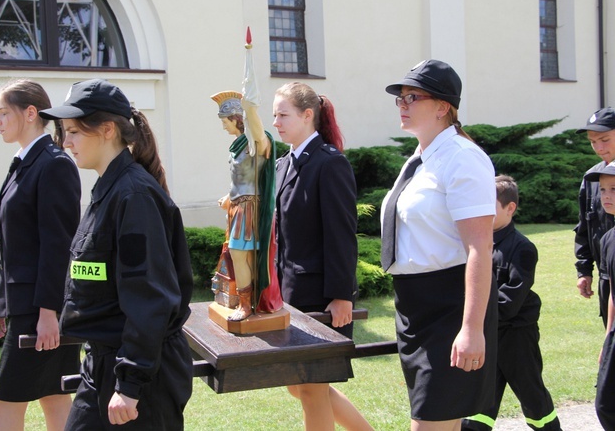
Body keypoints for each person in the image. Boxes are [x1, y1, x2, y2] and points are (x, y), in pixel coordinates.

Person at [39, 79, 193, 430]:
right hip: (102, 364)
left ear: (107, 130)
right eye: (64, 132)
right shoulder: (109, 191)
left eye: (74, 131)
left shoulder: (133, 196)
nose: (66, 142)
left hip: (139, 377)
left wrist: (130, 383)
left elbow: (150, 297)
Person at [381, 59, 498, 430]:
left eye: (411, 97)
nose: (402, 105)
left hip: (450, 305)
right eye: (399, 98)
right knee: (432, 420)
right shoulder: (418, 159)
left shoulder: (462, 158)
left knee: (429, 424)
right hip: (413, 306)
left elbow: (480, 247)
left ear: (443, 107)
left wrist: (472, 328)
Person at [273, 82, 373, 431]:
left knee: (312, 387)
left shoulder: (329, 164)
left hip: (320, 295)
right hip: (290, 296)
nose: (276, 122)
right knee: (296, 385)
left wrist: (342, 295)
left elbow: (341, 234)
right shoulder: (284, 165)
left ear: (307, 115)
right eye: (275, 115)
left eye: (283, 114)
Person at [0, 79, 82, 431]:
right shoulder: (24, 162)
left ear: (30, 113)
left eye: (2, 113)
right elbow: (12, 244)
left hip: (40, 312)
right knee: (55, 398)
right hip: (25, 306)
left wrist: (48, 312)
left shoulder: (54, 164)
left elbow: (58, 245)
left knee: (6, 399)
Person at [462, 175, 560, 431]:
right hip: (486, 335)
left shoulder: (522, 248)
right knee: (479, 404)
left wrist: (474, 315)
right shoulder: (477, 245)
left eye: (489, 206)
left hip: (517, 337)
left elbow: (509, 301)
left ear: (510, 208)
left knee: (533, 399)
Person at [211, 90, 282, 321]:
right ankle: (246, 301)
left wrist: (250, 107)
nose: (223, 127)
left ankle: (246, 305)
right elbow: (239, 181)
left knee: (240, 254)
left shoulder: (257, 144)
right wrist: (229, 198)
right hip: (237, 207)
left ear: (236, 119)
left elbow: (259, 133)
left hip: (249, 209)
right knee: (241, 256)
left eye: (225, 121)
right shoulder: (237, 145)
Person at [575, 107, 615, 328]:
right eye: (593, 142)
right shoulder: (591, 178)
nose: (599, 148)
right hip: (607, 276)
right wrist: (584, 270)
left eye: (605, 140)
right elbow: (585, 226)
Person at [584, 161, 615, 429]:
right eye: (603, 189)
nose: (606, 196)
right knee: (606, 404)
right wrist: (607, 338)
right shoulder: (608, 239)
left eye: (614, 189)